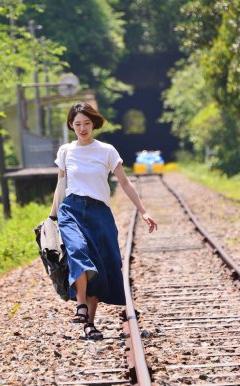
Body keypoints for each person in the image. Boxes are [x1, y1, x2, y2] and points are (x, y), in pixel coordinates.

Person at [49, 102, 158, 340]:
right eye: (77, 124)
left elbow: (125, 182)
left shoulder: (106, 150)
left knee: (99, 265)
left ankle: (89, 323)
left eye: (87, 123)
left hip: (99, 213)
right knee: (78, 251)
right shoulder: (66, 151)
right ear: (71, 125)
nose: (82, 128)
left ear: (94, 124)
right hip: (71, 208)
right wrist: (51, 216)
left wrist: (143, 211)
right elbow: (60, 184)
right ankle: (81, 306)